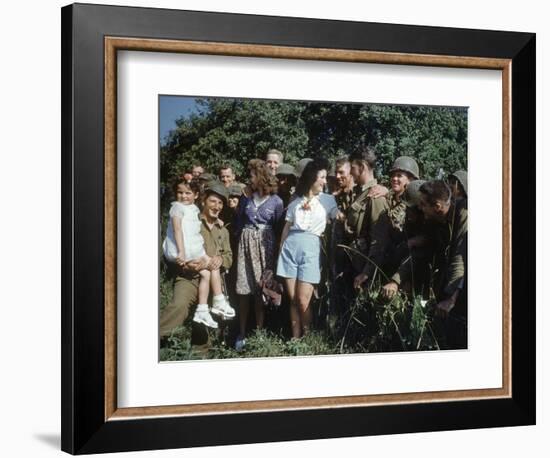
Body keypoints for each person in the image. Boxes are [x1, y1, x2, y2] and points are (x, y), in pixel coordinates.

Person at [160, 182, 234, 346]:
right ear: (203, 201)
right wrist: (186, 265)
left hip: (213, 280)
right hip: (189, 277)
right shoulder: (191, 220)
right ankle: (153, 339)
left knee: (205, 321)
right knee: (178, 306)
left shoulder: (223, 230)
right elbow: (173, 246)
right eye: (213, 201)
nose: (217, 206)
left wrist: (220, 260)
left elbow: (229, 257)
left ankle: (200, 354)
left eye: (220, 203)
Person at [277, 158, 339, 338]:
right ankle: (296, 339)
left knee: (304, 300)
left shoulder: (328, 200)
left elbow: (338, 216)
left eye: (325, 177)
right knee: (294, 300)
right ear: (312, 178)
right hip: (290, 248)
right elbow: (287, 226)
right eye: (322, 177)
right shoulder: (295, 200)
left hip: (311, 248)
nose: (325, 181)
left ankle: (308, 336)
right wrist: (281, 248)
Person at [234, 159, 284, 350]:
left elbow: (279, 226)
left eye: (253, 175)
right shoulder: (246, 197)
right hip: (246, 246)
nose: (250, 179)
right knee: (244, 291)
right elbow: (239, 220)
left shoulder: (276, 201)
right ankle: (242, 333)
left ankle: (260, 332)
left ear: (261, 177)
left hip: (265, 246)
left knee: (260, 289)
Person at [418, 180, 468, 349]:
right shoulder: (435, 220)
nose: (420, 208)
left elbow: (460, 257)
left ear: (438, 206)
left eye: (424, 205)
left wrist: (451, 298)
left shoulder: (464, 214)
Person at [345, 147, 390, 289]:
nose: (350, 172)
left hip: (365, 274)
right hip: (355, 264)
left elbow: (379, 241)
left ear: (362, 167)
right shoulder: (361, 194)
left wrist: (367, 272)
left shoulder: (375, 197)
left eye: (352, 167)